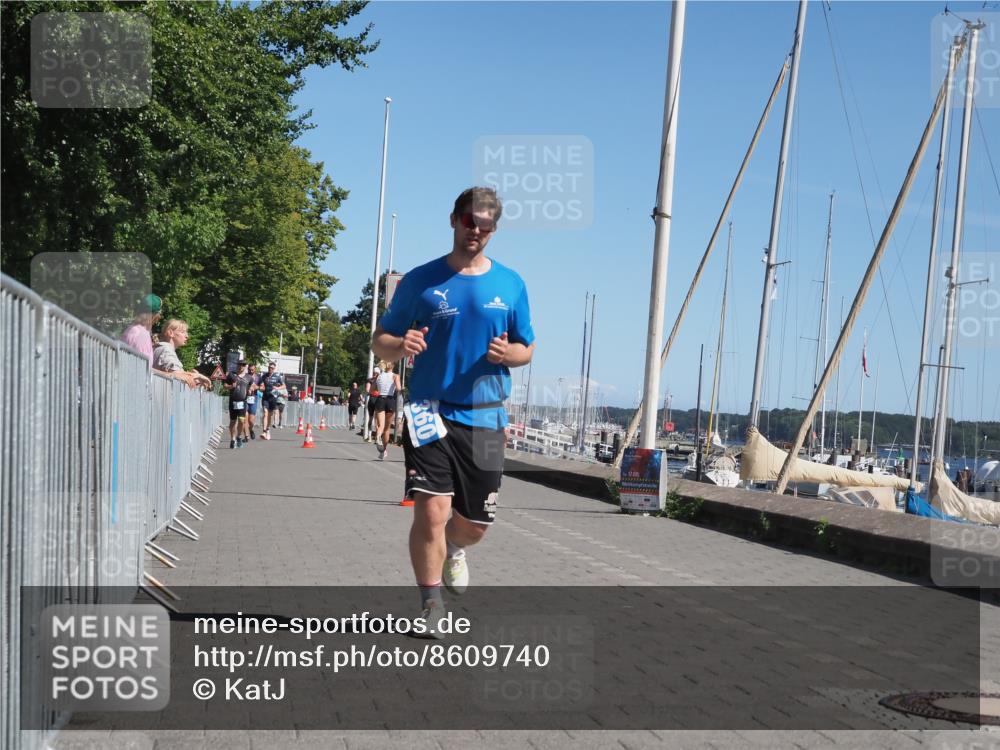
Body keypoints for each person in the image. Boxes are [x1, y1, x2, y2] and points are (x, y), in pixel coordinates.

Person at [372, 187, 535, 634]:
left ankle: (454, 549)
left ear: (494, 230)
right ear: (454, 220)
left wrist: (510, 355)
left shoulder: (511, 283)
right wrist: (400, 345)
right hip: (428, 408)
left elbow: (527, 346)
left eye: (485, 227)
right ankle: (430, 604)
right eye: (469, 223)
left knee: (476, 525)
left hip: (485, 413)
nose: (476, 233)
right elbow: (380, 340)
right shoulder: (420, 281)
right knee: (430, 509)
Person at [152, 318, 211, 389]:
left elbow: (174, 375)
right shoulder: (166, 350)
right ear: (170, 333)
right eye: (183, 332)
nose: (187, 336)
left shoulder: (161, 348)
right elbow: (177, 375)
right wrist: (197, 376)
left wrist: (194, 377)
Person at [120, 294, 162, 365]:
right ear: (155, 317)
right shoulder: (142, 335)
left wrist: (167, 374)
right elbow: (143, 367)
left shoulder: (132, 329)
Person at [372, 361, 401, 461]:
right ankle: (384, 449)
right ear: (393, 366)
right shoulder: (395, 376)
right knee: (387, 429)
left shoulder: (379, 376)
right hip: (390, 400)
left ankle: (378, 436)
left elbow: (371, 390)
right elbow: (398, 388)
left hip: (380, 399)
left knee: (381, 425)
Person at [224, 360, 252, 449]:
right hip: (233, 401)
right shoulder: (231, 375)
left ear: (245, 366)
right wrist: (231, 386)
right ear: (237, 365)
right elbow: (225, 385)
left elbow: (251, 386)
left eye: (243, 365)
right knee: (232, 421)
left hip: (242, 402)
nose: (241, 367)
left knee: (241, 421)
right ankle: (232, 440)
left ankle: (239, 436)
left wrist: (251, 390)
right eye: (240, 365)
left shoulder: (249, 377)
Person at [258, 362, 285, 438]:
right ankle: (264, 431)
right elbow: (261, 384)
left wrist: (278, 388)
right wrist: (261, 387)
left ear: (274, 369)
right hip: (265, 397)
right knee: (265, 413)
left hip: (273, 398)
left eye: (272, 368)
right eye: (269, 367)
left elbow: (284, 386)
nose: (270, 369)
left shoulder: (277, 377)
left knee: (270, 415)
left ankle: (268, 429)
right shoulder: (264, 376)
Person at [363, 367, 381, 441]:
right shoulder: (380, 380)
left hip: (372, 399)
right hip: (379, 399)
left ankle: (369, 437)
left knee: (371, 418)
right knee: (377, 419)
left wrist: (371, 392)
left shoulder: (370, 380)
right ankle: (377, 438)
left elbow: (367, 390)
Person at [245, 363, 262, 439]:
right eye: (249, 369)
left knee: (251, 420)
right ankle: (246, 436)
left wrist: (256, 387)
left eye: (252, 369)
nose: (251, 371)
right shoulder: (245, 376)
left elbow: (263, 387)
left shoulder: (258, 377)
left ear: (255, 369)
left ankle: (251, 429)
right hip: (245, 398)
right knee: (245, 418)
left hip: (253, 398)